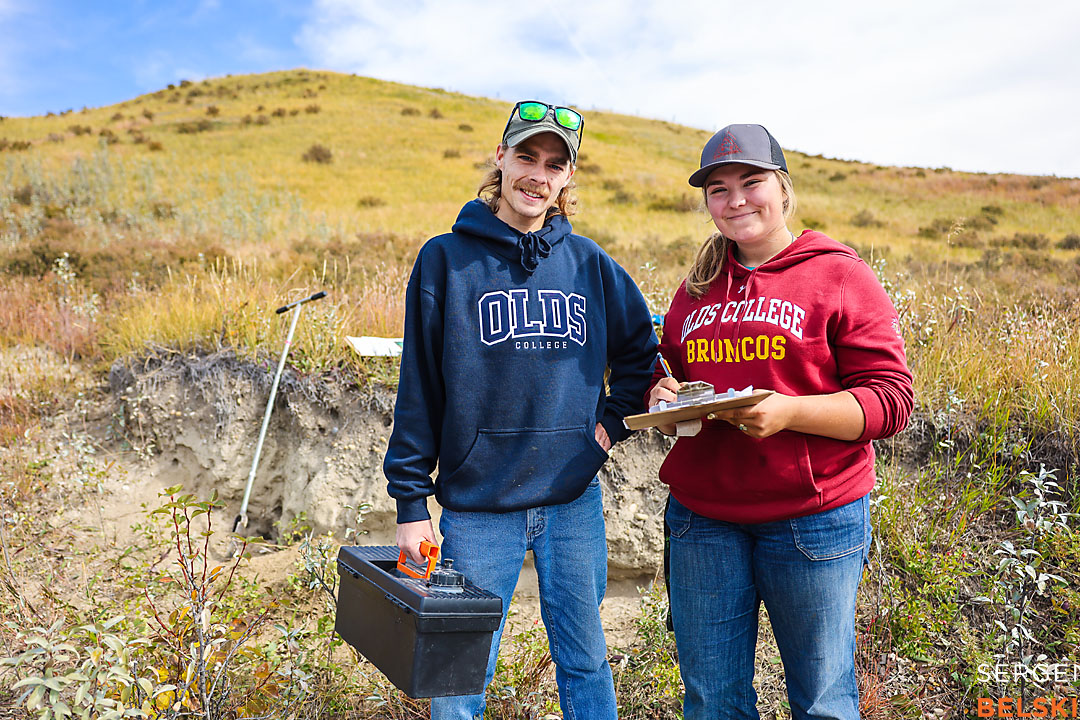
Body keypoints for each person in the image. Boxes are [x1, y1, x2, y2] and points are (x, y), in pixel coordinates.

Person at [384, 100, 658, 720]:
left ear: (567, 180)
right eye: (527, 156)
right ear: (500, 158)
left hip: (572, 501)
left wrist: (608, 431)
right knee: (462, 669)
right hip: (478, 508)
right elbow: (419, 386)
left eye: (555, 164)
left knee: (585, 656)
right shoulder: (446, 259)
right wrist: (409, 505)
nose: (538, 174)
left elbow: (641, 354)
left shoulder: (588, 263)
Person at [647, 124, 913, 720]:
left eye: (751, 181)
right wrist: (663, 396)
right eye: (718, 188)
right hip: (703, 521)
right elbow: (667, 371)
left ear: (784, 189)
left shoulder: (839, 273)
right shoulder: (697, 288)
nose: (736, 199)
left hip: (813, 522)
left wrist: (789, 412)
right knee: (712, 699)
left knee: (821, 701)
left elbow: (890, 401)